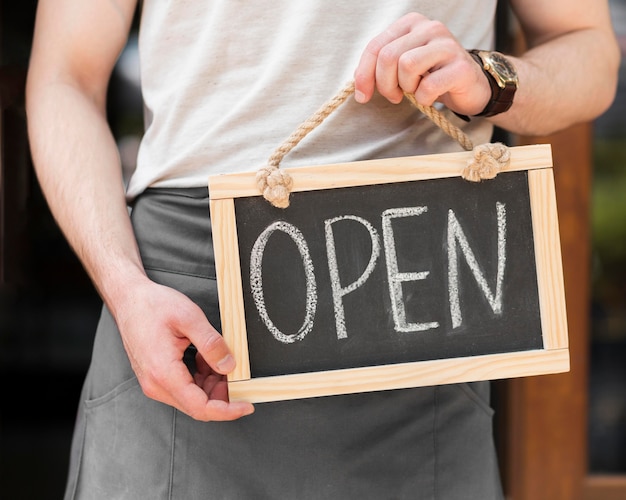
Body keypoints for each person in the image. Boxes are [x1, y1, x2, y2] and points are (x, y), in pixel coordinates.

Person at [26, 1, 619, 498]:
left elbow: (587, 49)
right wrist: (128, 290)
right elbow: (65, 77)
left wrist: (490, 79)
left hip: (419, 298)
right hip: (183, 318)